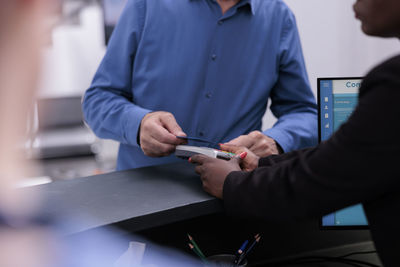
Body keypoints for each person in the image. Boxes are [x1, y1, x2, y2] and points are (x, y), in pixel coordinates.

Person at [189, 0, 400, 265]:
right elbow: (344, 157)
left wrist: (234, 184)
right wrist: (262, 165)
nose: (353, 3)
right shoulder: (145, 6)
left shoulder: (393, 84)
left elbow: (328, 174)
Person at [82, 0, 318, 170]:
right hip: (142, 207)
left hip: (233, 204)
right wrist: (138, 124)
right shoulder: (146, 5)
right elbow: (98, 100)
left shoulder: (279, 18)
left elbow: (303, 112)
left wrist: (277, 140)